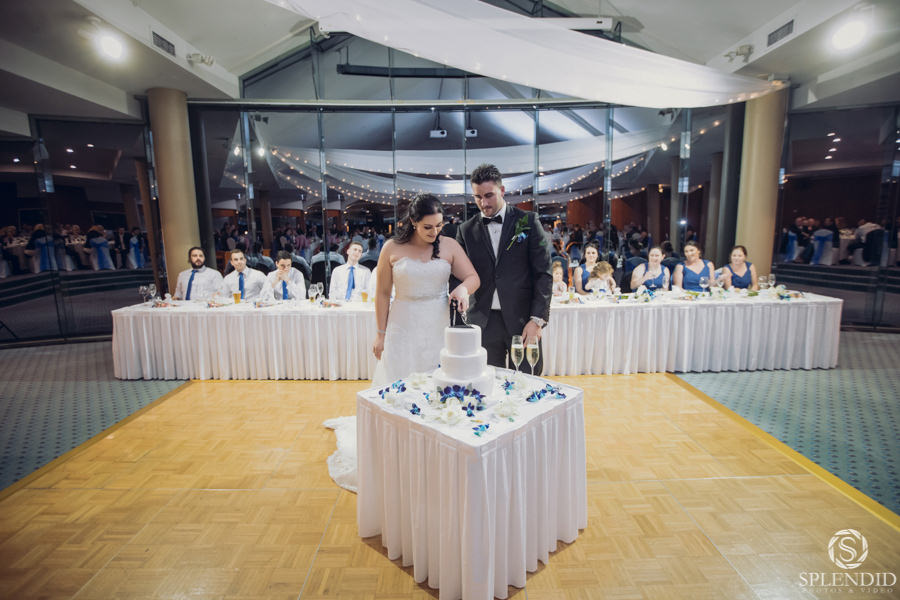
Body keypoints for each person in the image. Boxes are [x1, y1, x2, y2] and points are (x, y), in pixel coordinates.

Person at [371, 194, 479, 385]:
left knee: (437, 382)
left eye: (439, 225)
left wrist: (463, 289)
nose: (435, 232)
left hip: (437, 324)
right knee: (400, 380)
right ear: (413, 222)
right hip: (402, 324)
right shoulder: (391, 248)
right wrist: (381, 334)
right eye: (428, 227)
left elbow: (473, 278)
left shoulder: (450, 245)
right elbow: (382, 293)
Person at [456, 164, 552, 374]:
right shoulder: (465, 230)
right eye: (478, 197)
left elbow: (543, 273)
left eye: (489, 195)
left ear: (502, 190)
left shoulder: (528, 221)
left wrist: (537, 320)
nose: (483, 203)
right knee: (487, 384)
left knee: (528, 382)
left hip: (523, 321)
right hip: (483, 323)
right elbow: (459, 276)